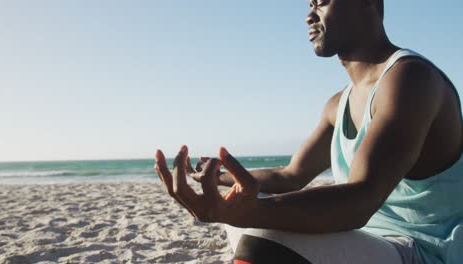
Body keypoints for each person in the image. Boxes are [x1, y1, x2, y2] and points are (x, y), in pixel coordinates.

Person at [155, 0, 463, 263]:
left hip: (422, 250)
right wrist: (214, 175)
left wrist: (253, 213)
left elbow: (362, 197)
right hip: (367, 240)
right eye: (309, 4)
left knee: (262, 230)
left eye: (322, 1)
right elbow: (290, 176)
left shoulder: (411, 79)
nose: (309, 15)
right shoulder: (336, 104)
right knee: (242, 207)